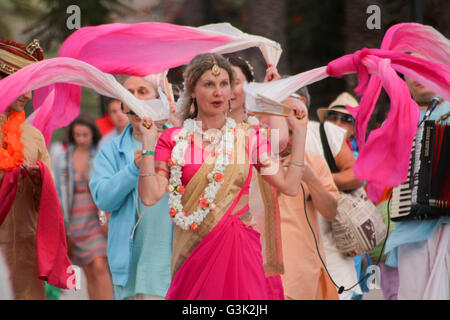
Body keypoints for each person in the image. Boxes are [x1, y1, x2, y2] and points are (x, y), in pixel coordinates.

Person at [136, 53, 308, 300]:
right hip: (191, 256)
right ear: (193, 90)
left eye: (224, 84)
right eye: (209, 84)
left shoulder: (249, 138)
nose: (218, 92)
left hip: (239, 253)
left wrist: (300, 134)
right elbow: (150, 196)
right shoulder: (173, 139)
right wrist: (149, 144)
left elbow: (290, 186)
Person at [89, 76, 174, 300]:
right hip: (130, 273)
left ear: (158, 98)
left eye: (142, 91)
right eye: (129, 93)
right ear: (122, 105)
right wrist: (133, 168)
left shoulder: (179, 142)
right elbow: (102, 199)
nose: (135, 99)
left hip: (173, 267)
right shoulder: (110, 150)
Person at [0, 38, 67, 299]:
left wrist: (39, 177)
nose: (28, 96)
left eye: (31, 89)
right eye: (21, 88)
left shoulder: (34, 136)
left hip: (26, 244)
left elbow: (49, 198)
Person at [384, 64, 450, 300]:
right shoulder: (395, 121)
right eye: (409, 71)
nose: (416, 77)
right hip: (411, 233)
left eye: (423, 68)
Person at [299, 86, 364, 300]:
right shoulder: (260, 133)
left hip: (334, 241)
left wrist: (317, 182)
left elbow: (357, 175)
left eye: (346, 119)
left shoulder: (325, 134)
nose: (338, 122)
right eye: (333, 116)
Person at [277, 95, 339, 300]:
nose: (287, 138)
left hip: (300, 272)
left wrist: (311, 179)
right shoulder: (256, 160)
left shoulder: (314, 162)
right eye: (282, 129)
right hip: (260, 268)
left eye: (293, 132)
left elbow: (330, 212)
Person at [53, 113, 113, 300]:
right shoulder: (63, 157)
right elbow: (57, 190)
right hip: (74, 221)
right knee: (87, 269)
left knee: (99, 265)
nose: (81, 139)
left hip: (95, 217)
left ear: (93, 134)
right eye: (77, 134)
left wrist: (105, 217)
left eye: (85, 134)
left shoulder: (99, 155)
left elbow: (105, 188)